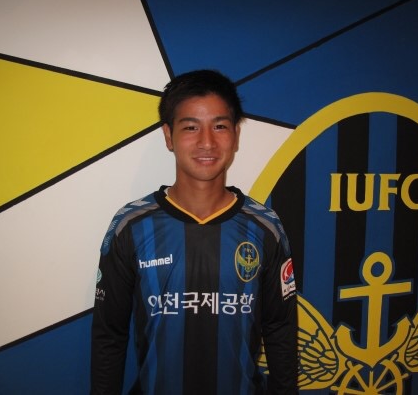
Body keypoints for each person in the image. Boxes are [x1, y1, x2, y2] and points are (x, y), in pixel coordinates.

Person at [91, 69, 298, 394]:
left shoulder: (265, 227)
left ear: (236, 135)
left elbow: (280, 329)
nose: (207, 142)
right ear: (168, 135)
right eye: (190, 127)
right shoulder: (130, 226)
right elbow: (110, 334)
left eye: (219, 126)